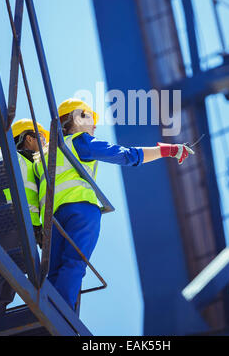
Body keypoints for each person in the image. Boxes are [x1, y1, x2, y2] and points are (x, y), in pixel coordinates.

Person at [33, 98, 194, 311]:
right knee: (74, 264)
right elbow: (128, 156)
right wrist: (168, 150)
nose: (94, 125)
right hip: (80, 211)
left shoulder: (41, 156)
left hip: (52, 220)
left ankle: (48, 313)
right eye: (89, 117)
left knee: (52, 271)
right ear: (76, 118)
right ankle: (60, 315)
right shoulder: (80, 141)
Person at [0, 119, 49, 319]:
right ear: (28, 138)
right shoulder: (10, 153)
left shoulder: (30, 166)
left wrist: (37, 230)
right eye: (42, 137)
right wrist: (3, 210)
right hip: (9, 222)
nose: (45, 143)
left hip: (25, 229)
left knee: (12, 279)